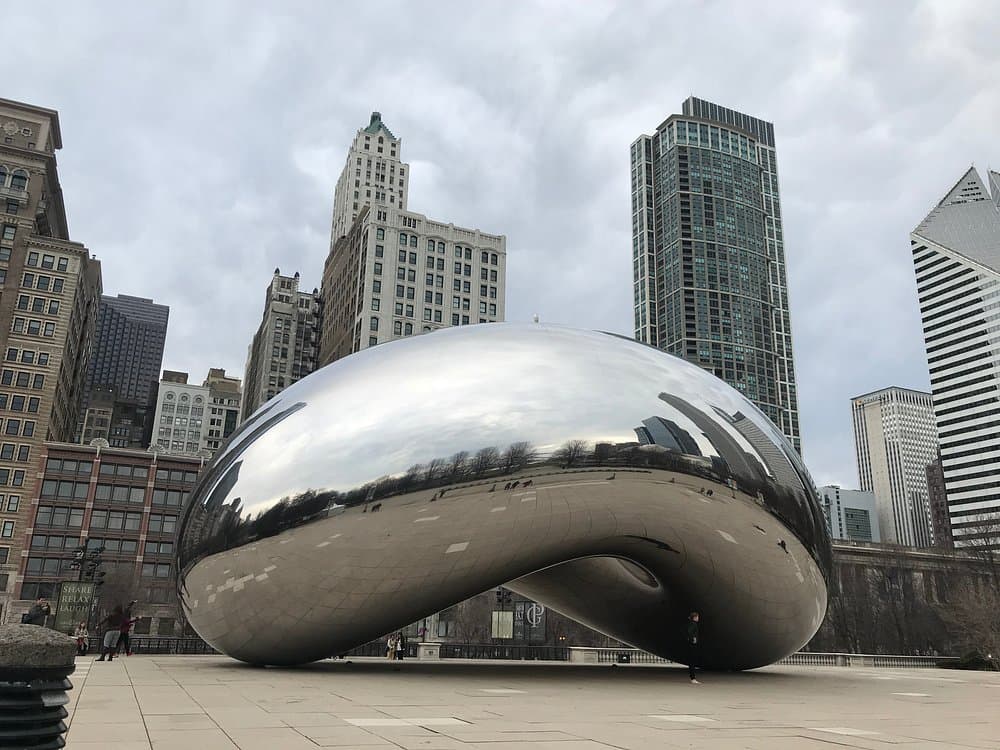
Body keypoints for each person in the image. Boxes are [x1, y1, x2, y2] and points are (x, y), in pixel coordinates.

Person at [686, 611, 700, 684]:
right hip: (692, 645)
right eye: (697, 617)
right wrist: (693, 639)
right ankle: (693, 678)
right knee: (692, 661)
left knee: (692, 661)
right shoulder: (693, 624)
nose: (698, 618)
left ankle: (693, 678)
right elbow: (689, 632)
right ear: (694, 617)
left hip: (691, 645)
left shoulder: (691, 623)